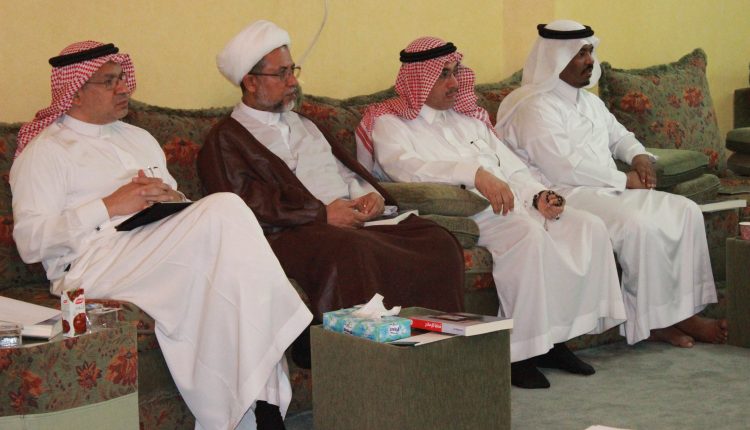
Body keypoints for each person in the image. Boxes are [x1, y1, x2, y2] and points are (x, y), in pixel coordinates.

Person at [10, 40, 312, 430]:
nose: (124, 88)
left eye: (122, 78)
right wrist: (110, 205)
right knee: (225, 207)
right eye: (109, 81)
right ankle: (292, 324)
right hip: (92, 264)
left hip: (157, 244)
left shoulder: (140, 139)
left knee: (226, 282)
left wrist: (171, 198)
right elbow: (31, 242)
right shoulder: (45, 152)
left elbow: (181, 207)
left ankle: (261, 410)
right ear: (76, 92)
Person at [356, 36, 627, 389]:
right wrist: (474, 174)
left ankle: (555, 340)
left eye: (456, 72)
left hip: (507, 205)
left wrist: (537, 196)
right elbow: (406, 169)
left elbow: (511, 167)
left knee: (586, 225)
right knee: (526, 235)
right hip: (457, 214)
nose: (455, 83)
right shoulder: (390, 122)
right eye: (443, 75)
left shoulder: (469, 121)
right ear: (419, 78)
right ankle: (520, 354)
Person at [198, 21, 466, 330]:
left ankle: (436, 346)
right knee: (351, 250)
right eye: (281, 73)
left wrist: (367, 196)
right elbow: (243, 206)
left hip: (348, 222)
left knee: (436, 240)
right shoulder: (226, 139)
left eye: (292, 70)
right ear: (251, 82)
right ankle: (364, 352)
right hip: (291, 232)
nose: (292, 82)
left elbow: (344, 172)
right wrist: (321, 214)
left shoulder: (305, 124)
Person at [495, 20, 728, 349]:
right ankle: (653, 321)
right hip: (565, 194)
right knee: (638, 224)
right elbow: (563, 166)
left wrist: (639, 157)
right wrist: (625, 180)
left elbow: (620, 137)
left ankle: (682, 313)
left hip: (608, 189)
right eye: (580, 54)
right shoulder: (533, 106)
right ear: (555, 58)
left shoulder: (589, 102)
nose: (590, 60)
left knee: (686, 210)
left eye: (590, 51)